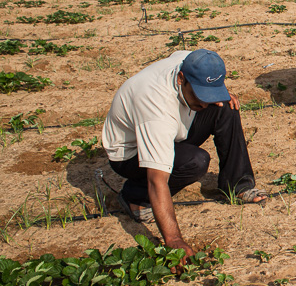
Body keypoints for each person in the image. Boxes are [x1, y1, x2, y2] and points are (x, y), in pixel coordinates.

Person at [102, 49, 266, 259]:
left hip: (175, 128)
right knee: (195, 162)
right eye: (200, 95)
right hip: (130, 154)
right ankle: (135, 196)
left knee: (226, 106)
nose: (205, 103)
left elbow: (192, 63)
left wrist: (218, 93)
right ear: (181, 78)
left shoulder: (191, 62)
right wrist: (174, 240)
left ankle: (238, 185)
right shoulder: (155, 107)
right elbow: (156, 180)